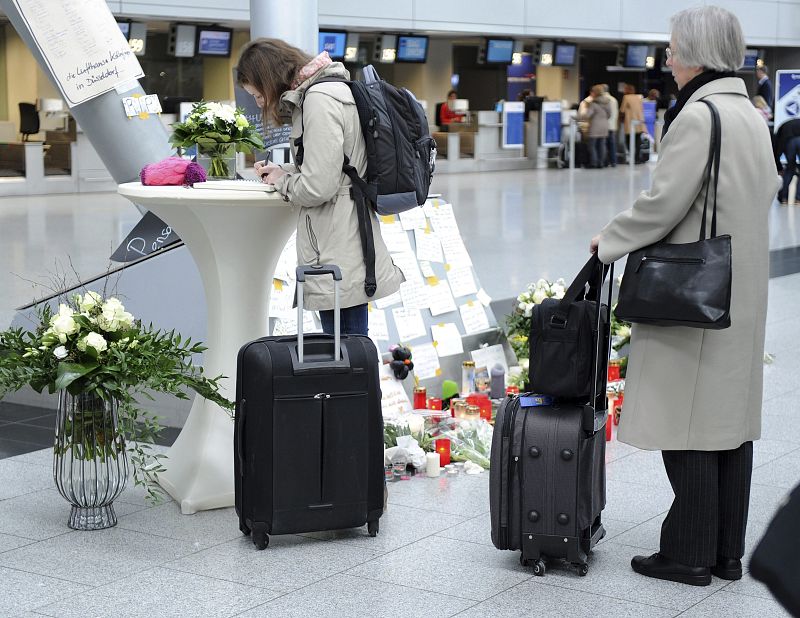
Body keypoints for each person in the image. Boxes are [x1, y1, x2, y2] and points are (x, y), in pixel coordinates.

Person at [590, 6, 780, 587]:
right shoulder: (748, 112)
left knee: (688, 422)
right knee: (727, 425)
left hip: (694, 295)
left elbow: (665, 203)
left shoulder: (698, 115)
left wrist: (610, 240)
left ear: (697, 52)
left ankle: (688, 552)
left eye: (673, 48)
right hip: (738, 287)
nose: (667, 58)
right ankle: (726, 552)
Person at [236, 38, 404, 336]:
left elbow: (318, 187)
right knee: (350, 353)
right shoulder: (331, 91)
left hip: (337, 241)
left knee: (347, 355)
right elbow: (336, 168)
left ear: (269, 78)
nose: (259, 102)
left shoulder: (319, 99)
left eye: (257, 94)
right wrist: (284, 171)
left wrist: (284, 182)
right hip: (345, 233)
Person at [580, 85, 611, 168]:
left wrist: (581, 116)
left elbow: (588, 115)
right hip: (604, 126)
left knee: (592, 145)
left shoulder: (593, 103)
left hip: (595, 126)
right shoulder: (607, 102)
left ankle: (594, 162)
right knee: (602, 145)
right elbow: (609, 114)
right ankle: (601, 163)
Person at [776, 118, 800, 204]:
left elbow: (777, 148)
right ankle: (798, 199)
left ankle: (783, 198)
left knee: (789, 170)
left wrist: (779, 167)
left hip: (789, 142)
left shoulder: (783, 127)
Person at [619, 83, 645, 163]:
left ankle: (632, 158)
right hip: (639, 122)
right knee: (638, 141)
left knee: (629, 141)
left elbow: (622, 110)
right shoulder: (639, 97)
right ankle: (637, 158)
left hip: (630, 122)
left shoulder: (626, 97)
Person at [600, 84, 619, 167]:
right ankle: (613, 161)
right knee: (612, 144)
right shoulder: (614, 100)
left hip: (603, 125)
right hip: (612, 125)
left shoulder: (602, 100)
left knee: (603, 144)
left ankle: (604, 161)